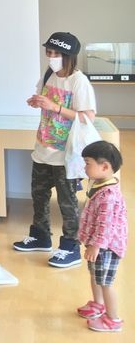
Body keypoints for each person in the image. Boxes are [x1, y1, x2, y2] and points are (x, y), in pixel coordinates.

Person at [13, 31, 97, 268]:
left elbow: (88, 117)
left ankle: (71, 247)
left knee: (67, 203)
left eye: (56, 53)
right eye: (48, 52)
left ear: (68, 56)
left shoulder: (79, 81)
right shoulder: (49, 74)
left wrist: (55, 107)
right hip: (43, 148)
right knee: (38, 195)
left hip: (66, 154)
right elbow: (44, 99)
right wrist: (37, 101)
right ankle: (41, 236)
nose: (51, 57)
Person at [76, 140, 127, 333]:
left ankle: (113, 319)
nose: (85, 167)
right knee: (96, 276)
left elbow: (105, 226)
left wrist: (96, 246)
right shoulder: (100, 184)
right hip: (98, 245)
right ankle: (98, 305)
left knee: (106, 282)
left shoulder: (109, 195)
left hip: (106, 247)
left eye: (88, 163)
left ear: (104, 166)